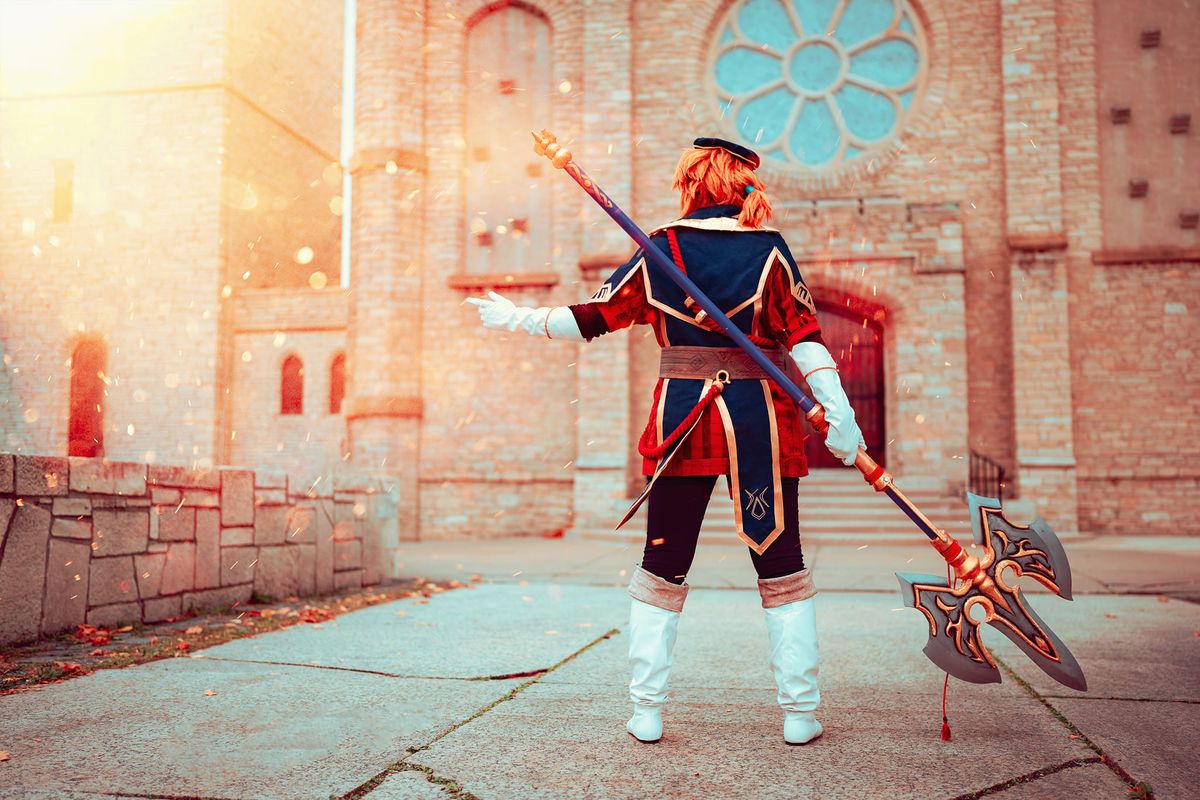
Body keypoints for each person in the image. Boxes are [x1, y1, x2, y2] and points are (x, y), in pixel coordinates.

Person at [467, 137, 865, 746]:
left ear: (691, 182)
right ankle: (801, 711)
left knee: (663, 564)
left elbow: (593, 318)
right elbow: (807, 340)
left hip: (684, 418)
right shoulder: (769, 250)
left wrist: (517, 318)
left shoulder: (663, 248)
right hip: (759, 417)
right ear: (738, 184)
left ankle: (646, 709)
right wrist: (840, 417)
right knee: (782, 564)